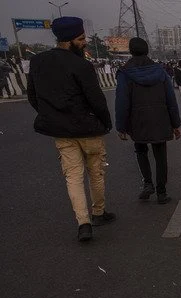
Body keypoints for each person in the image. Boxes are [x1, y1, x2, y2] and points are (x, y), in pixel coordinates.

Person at [27, 16, 115, 242]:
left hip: (61, 132)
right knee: (95, 173)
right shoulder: (81, 65)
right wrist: (106, 122)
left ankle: (83, 223)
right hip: (88, 128)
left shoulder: (38, 62)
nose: (84, 42)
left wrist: (51, 115)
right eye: (81, 38)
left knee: (73, 177)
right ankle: (98, 212)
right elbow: (96, 99)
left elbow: (33, 97)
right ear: (68, 40)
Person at [115, 37, 181, 205]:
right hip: (161, 118)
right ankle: (162, 192)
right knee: (160, 155)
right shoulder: (160, 71)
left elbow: (122, 101)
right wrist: (176, 124)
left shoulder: (125, 72)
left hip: (137, 120)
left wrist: (121, 127)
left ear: (131, 51)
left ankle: (147, 183)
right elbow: (170, 99)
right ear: (147, 50)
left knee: (140, 151)